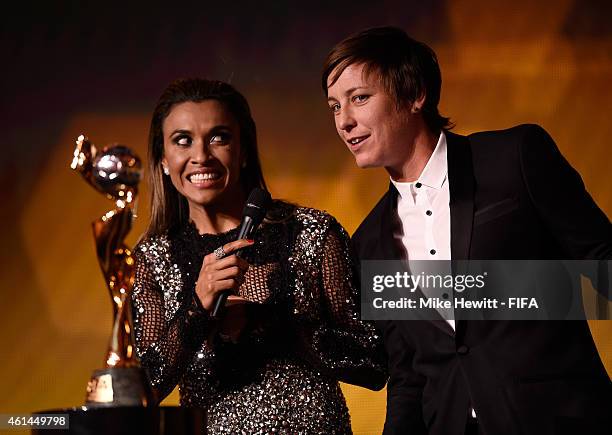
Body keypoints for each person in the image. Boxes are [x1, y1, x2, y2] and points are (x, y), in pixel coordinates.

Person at [322, 26, 612, 435]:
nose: (344, 122)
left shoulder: (514, 157)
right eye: (334, 107)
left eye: (359, 98)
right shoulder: (368, 242)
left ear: (415, 94)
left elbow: (601, 261)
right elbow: (409, 376)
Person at [132, 78, 386, 434]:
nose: (201, 155)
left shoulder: (311, 232)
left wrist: (277, 319)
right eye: (183, 140)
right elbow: (145, 388)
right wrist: (198, 307)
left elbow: (372, 363)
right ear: (162, 158)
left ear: (244, 150)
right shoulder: (153, 256)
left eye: (219, 137)